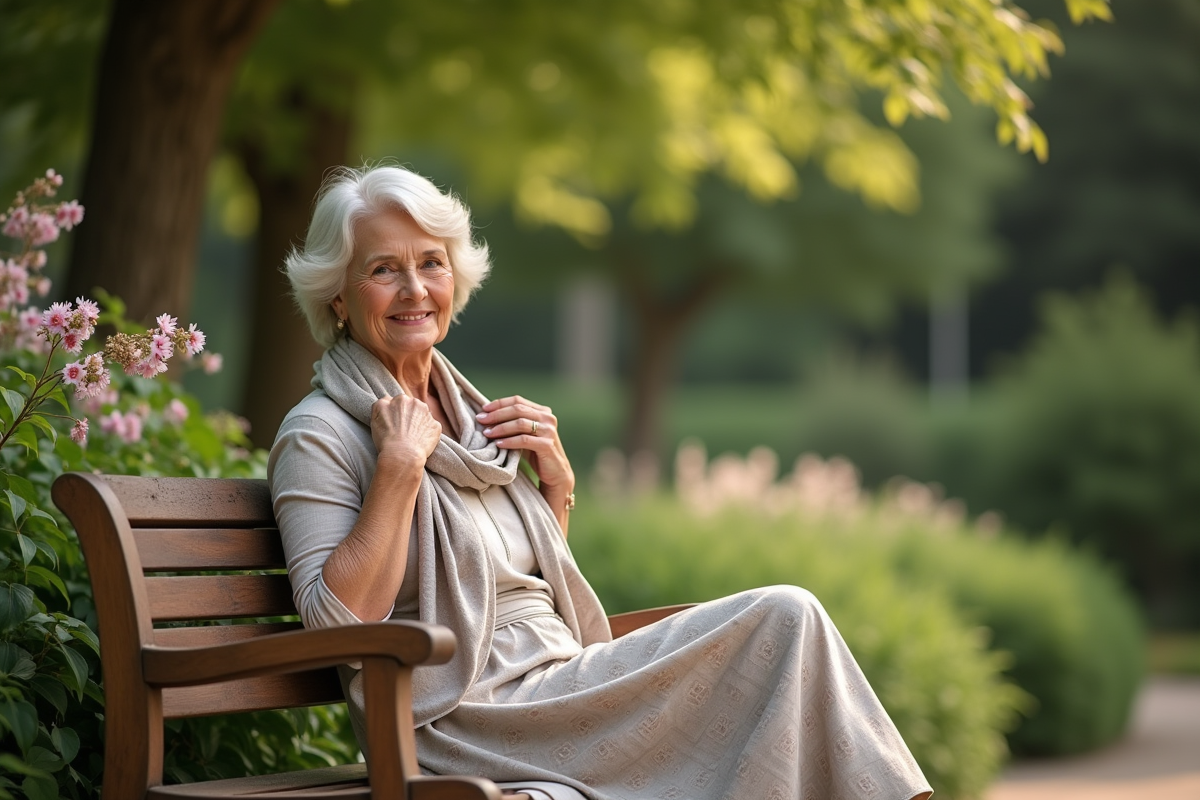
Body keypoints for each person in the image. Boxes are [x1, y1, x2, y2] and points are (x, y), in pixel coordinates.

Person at [268, 163, 933, 800]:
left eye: (431, 263)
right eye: (385, 269)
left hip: (559, 681)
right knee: (784, 618)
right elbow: (336, 625)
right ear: (337, 294)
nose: (415, 288)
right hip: (467, 717)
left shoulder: (473, 417)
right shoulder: (320, 434)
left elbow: (516, 589)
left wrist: (555, 493)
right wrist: (397, 472)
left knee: (789, 630)